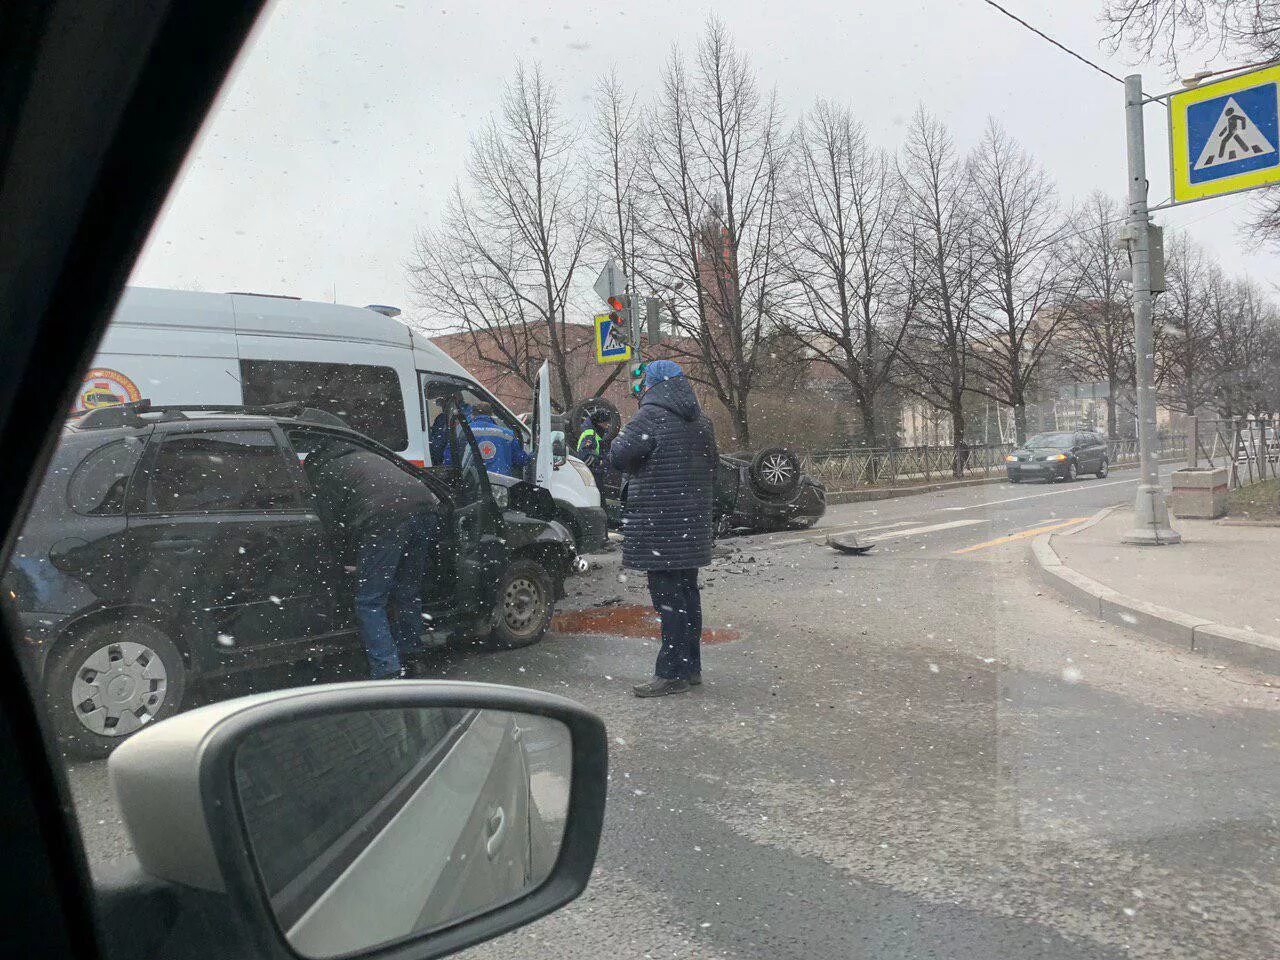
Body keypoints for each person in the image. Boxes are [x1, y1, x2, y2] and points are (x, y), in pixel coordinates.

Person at [610, 360, 718, 698]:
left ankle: (671, 672)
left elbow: (618, 456)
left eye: (643, 384)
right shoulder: (702, 421)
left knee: (669, 602)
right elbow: (712, 465)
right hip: (690, 527)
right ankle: (691, 667)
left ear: (654, 384)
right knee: (688, 596)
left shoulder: (649, 417)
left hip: (660, 528)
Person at [300, 435, 442, 679]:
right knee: (407, 592)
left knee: (370, 601)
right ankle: (413, 654)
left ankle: (387, 669)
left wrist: (345, 560)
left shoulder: (326, 473)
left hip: (385, 517)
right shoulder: (365, 456)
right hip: (425, 506)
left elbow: (332, 525)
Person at [466, 402, 530, 478]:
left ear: (472, 415)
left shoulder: (463, 431)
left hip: (471, 483)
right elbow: (520, 460)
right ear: (491, 415)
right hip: (501, 483)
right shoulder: (507, 434)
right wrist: (533, 455)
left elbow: (450, 458)